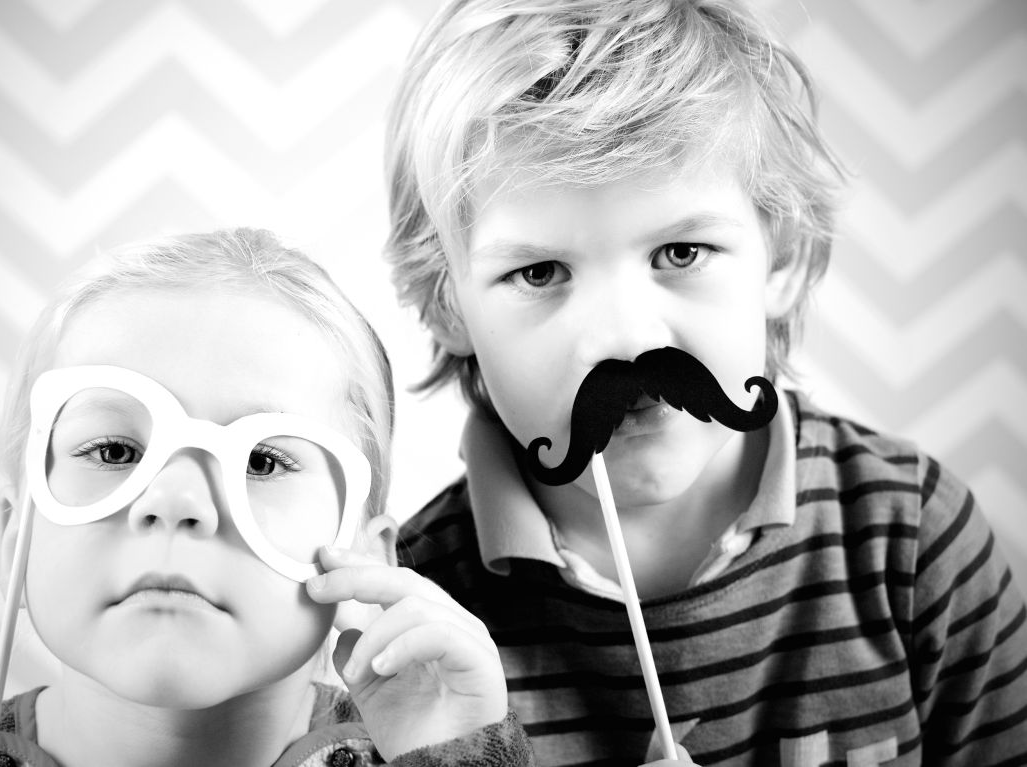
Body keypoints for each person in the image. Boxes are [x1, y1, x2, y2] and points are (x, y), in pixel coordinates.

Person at [383, 1, 1027, 765]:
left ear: (782, 257)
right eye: (540, 271)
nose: (625, 337)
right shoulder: (418, 629)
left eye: (681, 252)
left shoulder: (913, 539)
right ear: (447, 307)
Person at [0, 228, 533, 767]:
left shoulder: (425, 754)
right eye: (115, 452)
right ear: (14, 536)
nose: (174, 500)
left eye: (262, 461)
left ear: (367, 561)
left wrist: (453, 755)